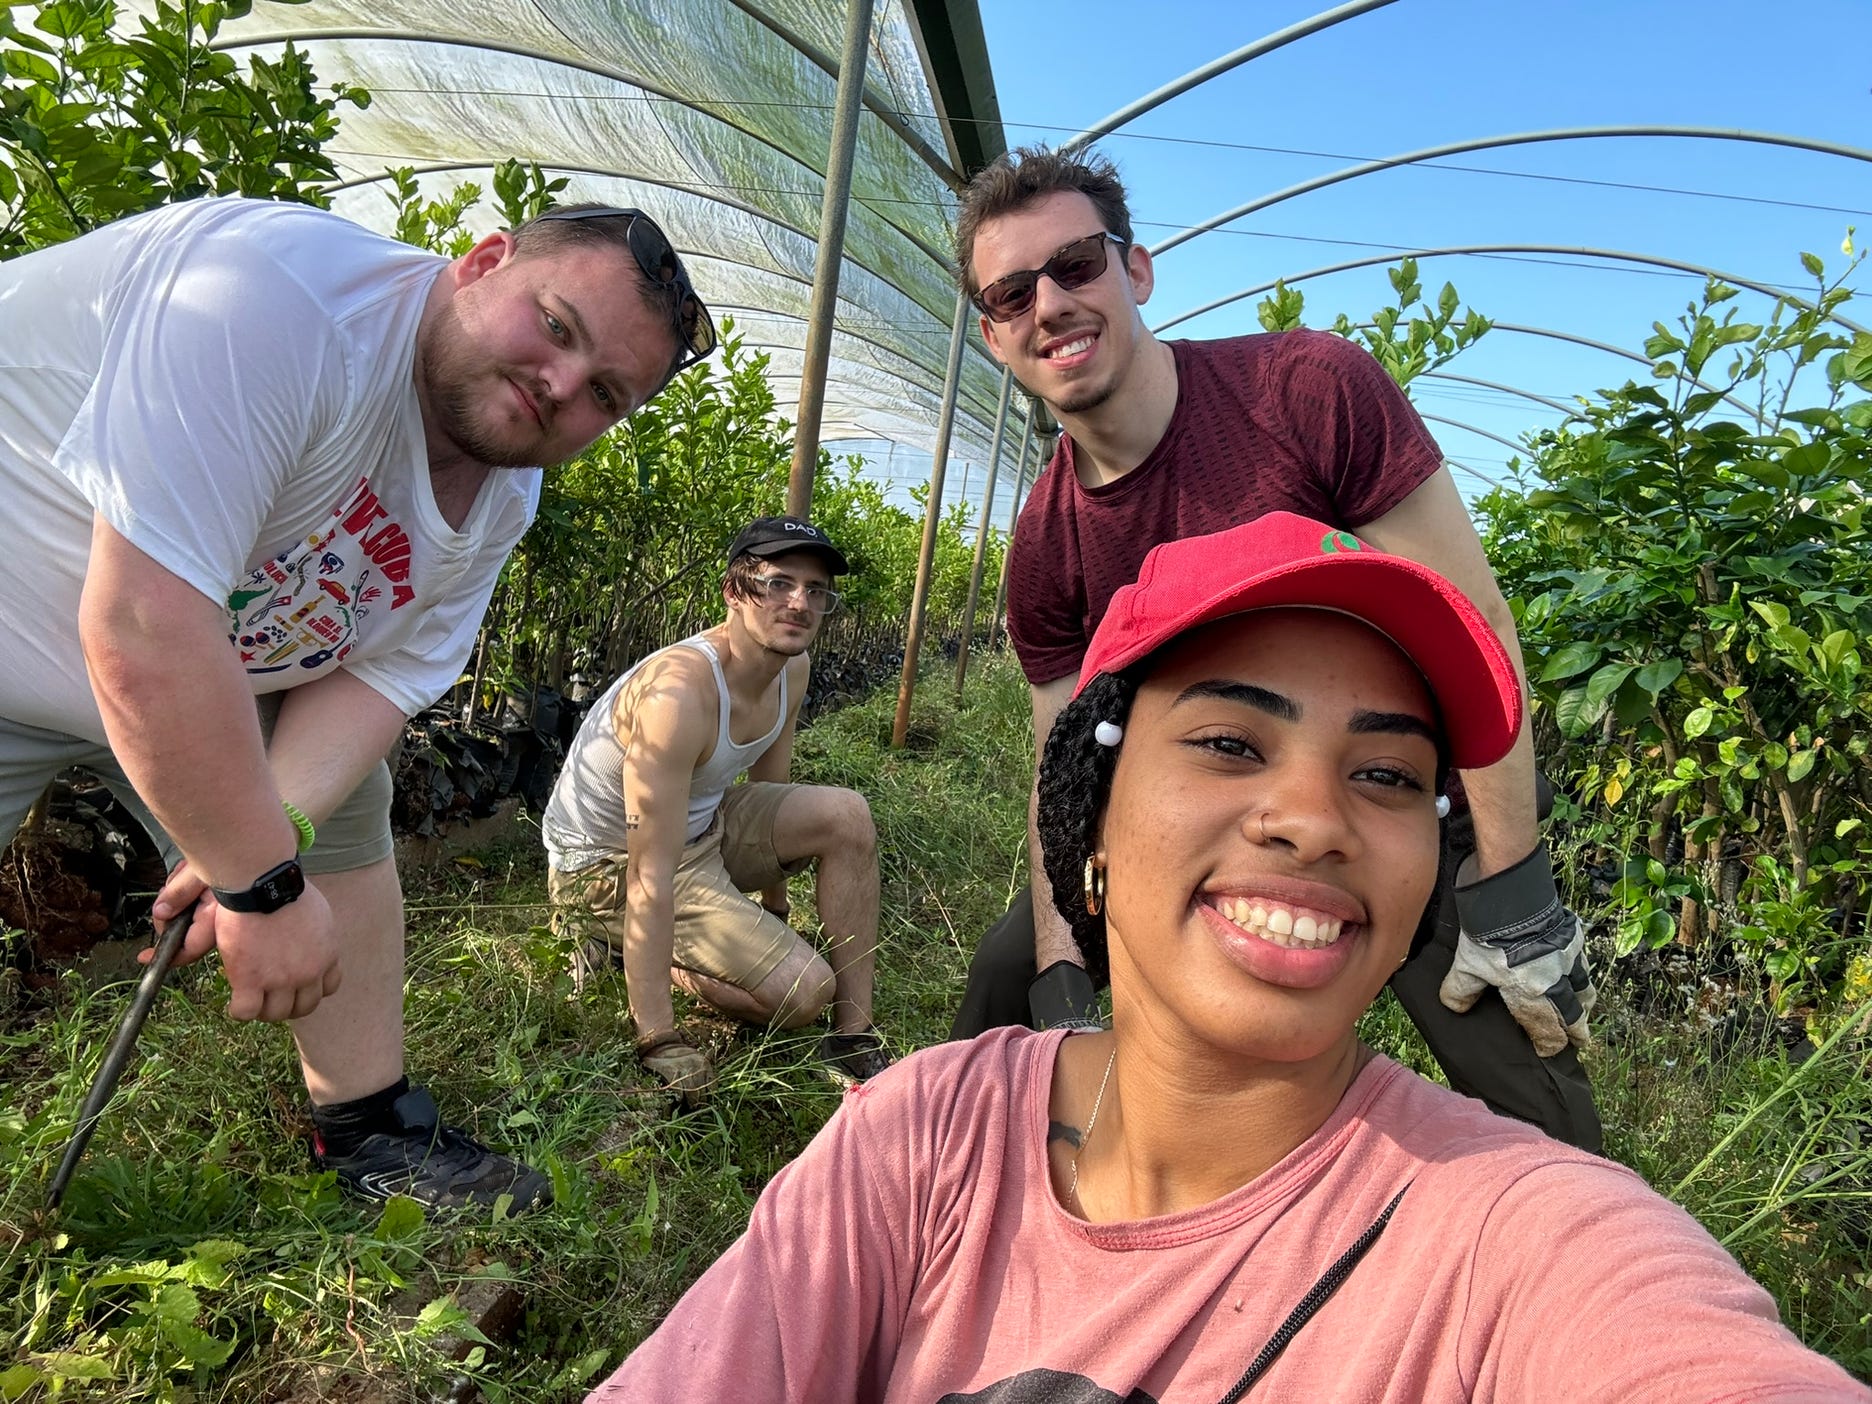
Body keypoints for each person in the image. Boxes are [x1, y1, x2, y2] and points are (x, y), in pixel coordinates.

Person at [585, 512, 1869, 1403]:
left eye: (1385, 774)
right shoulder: (920, 1137)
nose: (1313, 819)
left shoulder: (1516, 1237)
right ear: (1087, 829)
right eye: (1229, 745)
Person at [0, 195, 717, 1209]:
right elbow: (145, 628)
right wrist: (264, 892)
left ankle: (369, 1132)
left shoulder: (504, 491)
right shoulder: (277, 304)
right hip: (29, 611)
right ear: (483, 261)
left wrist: (272, 832)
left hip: (200, 660)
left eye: (604, 391)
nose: (559, 386)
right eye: (556, 327)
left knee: (339, 805)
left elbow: (378, 675)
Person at [946, 144, 1599, 1152]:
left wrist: (1510, 892)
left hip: (1397, 794)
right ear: (993, 334)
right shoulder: (1047, 539)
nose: (1051, 306)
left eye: (1077, 267)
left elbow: (1477, 625)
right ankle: (972, 1176)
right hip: (1208, 797)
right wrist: (1064, 952)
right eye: (1013, 292)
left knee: (1518, 1055)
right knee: (1008, 981)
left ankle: (1580, 1248)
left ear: (1137, 270)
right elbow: (1058, 761)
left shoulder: (1304, 393)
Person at [544, 516, 889, 1103]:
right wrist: (658, 1038)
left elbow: (768, 785)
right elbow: (648, 873)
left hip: (706, 824)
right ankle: (627, 944)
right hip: (606, 866)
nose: (800, 603)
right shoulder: (680, 693)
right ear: (734, 592)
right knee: (804, 991)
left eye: (816, 590)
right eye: (779, 583)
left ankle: (854, 1035)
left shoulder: (790, 667)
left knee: (847, 814)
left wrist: (773, 903)